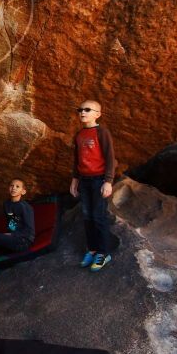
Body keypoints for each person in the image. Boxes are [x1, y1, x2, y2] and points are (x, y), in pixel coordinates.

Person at [69, 100, 116, 272]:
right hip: (85, 180)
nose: (82, 112)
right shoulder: (79, 135)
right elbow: (77, 160)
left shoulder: (102, 132)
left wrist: (108, 181)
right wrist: (75, 180)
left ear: (98, 114)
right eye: (80, 110)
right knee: (87, 216)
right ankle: (92, 249)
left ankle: (103, 253)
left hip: (98, 180)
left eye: (87, 109)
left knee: (98, 217)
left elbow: (110, 158)